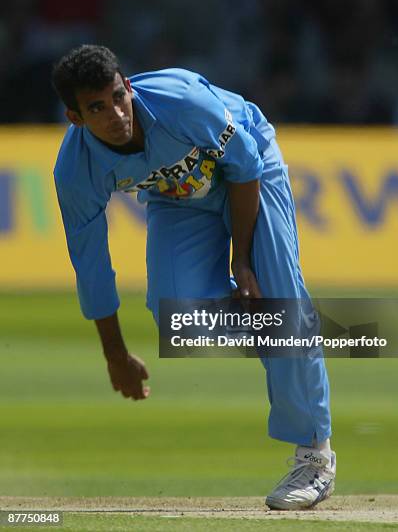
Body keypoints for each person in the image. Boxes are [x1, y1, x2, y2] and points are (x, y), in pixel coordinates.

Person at [52, 44, 336, 510]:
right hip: (178, 197)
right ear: (75, 117)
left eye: (117, 97)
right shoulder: (75, 171)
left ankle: (315, 459)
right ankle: (292, 331)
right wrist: (116, 355)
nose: (116, 115)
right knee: (181, 318)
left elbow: (244, 163)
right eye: (97, 108)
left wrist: (241, 262)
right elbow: (91, 264)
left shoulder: (179, 99)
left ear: (126, 84)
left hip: (250, 169)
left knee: (276, 298)